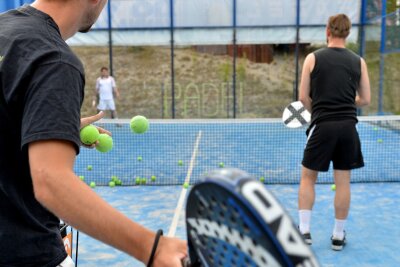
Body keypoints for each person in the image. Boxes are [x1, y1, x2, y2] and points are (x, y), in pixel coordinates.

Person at [0, 1, 186, 266]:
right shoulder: (54, 59)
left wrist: (45, 124)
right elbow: (50, 181)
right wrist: (152, 248)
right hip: (27, 253)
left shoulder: (3, 29)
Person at [297, 13, 371, 251]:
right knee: (343, 182)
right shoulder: (359, 61)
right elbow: (366, 99)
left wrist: (317, 109)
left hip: (322, 126)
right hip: (348, 127)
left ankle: (304, 232)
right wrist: (348, 101)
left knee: (308, 178)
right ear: (348, 33)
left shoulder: (312, 58)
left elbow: (302, 97)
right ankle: (338, 236)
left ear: (327, 31)